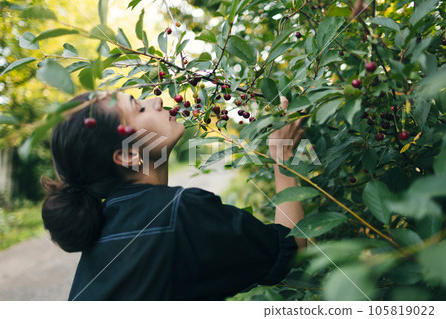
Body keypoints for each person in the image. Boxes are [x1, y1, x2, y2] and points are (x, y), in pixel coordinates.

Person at [40, 91, 307, 301]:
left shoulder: (106, 230)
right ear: (129, 155)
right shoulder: (181, 213)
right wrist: (281, 158)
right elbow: (292, 246)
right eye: (139, 107)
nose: (156, 100)